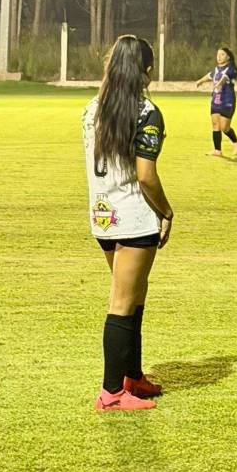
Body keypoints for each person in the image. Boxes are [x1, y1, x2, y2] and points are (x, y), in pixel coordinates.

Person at [83, 35, 174, 411]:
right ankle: (111, 393)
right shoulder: (146, 111)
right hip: (134, 218)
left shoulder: (91, 109)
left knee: (134, 297)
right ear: (147, 71)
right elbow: (146, 175)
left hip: (103, 216)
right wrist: (166, 212)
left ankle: (131, 376)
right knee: (122, 301)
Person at [195, 47, 237, 157]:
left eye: (222, 54)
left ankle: (235, 141)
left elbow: (225, 77)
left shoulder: (231, 68)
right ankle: (217, 150)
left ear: (228, 57)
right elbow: (210, 75)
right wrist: (200, 81)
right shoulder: (216, 69)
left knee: (225, 128)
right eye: (218, 54)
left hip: (227, 101)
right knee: (215, 125)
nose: (219, 57)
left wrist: (219, 83)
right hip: (216, 100)